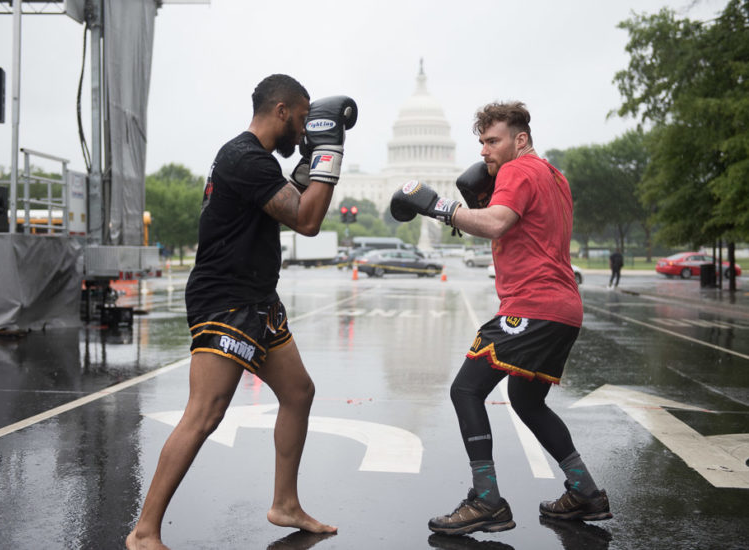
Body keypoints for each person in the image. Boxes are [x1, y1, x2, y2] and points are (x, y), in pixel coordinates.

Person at [126, 74, 357, 550]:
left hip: (258, 299)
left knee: (298, 392)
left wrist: (311, 162)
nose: (305, 129)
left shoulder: (254, 160)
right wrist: (329, 152)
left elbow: (289, 200)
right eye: (302, 118)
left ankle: (285, 504)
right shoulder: (245, 157)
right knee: (205, 412)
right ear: (281, 111)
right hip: (226, 300)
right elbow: (307, 220)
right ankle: (144, 532)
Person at [390, 102, 611, 536]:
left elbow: (495, 224)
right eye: (482, 142)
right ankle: (585, 491)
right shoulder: (554, 176)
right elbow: (519, 227)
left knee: (465, 389)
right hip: (564, 308)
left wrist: (439, 207)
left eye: (493, 141)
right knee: (527, 401)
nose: (484, 150)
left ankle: (487, 500)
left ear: (520, 139)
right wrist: (480, 205)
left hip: (532, 305)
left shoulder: (517, 170)